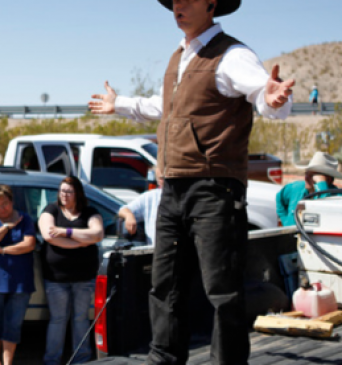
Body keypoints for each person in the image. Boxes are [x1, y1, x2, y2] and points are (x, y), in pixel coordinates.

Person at [87, 1, 295, 363]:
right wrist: (118, 103)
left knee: (222, 290)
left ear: (211, 5)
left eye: (187, 0)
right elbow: (164, 106)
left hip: (215, 189)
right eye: (174, 1)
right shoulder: (178, 58)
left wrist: (273, 98)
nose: (178, 6)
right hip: (173, 188)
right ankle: (164, 357)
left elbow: (265, 94)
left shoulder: (232, 55)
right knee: (165, 283)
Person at [38, 176, 104, 365]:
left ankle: (81, 360)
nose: (64, 195)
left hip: (84, 277)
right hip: (56, 278)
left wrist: (67, 232)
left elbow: (97, 234)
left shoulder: (90, 212)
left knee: (80, 319)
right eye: (62, 191)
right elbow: (48, 235)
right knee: (58, 319)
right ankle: (52, 360)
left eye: (69, 191)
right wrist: (81, 242)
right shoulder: (51, 210)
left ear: (78, 194)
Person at [0, 184, 36, 365]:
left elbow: (29, 244)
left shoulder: (25, 219)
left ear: (12, 201)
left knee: (14, 322)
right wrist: (5, 227)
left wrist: (3, 250)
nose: (1, 209)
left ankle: (7, 363)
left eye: (5, 204)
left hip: (20, 280)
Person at [276, 152, 341, 226]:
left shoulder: (337, 197)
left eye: (312, 175)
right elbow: (279, 197)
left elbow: (326, 213)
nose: (306, 178)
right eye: (306, 173)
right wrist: (285, 221)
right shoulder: (296, 188)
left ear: (328, 180)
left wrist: (322, 185)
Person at [117, 170, 164, 246]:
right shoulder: (151, 196)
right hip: (155, 250)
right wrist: (129, 216)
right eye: (161, 178)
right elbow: (123, 210)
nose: (164, 181)